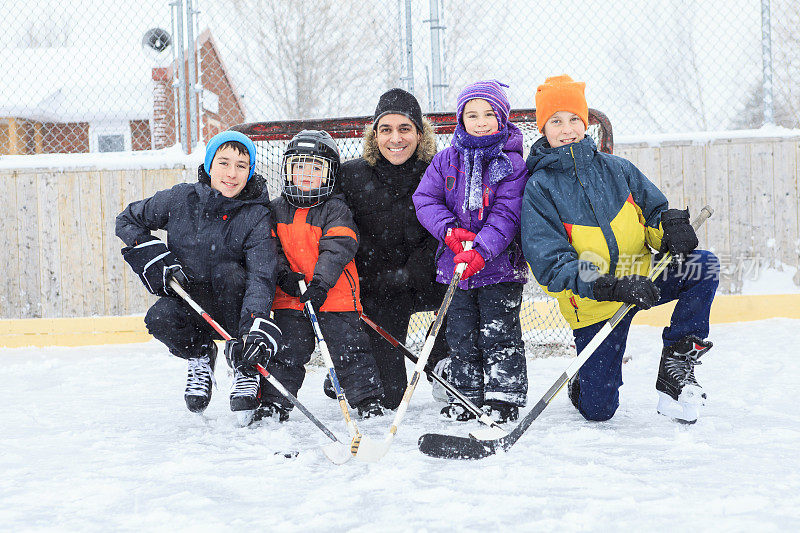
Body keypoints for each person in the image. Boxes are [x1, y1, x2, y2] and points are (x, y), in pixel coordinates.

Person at [521, 74, 719, 424]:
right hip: (595, 301)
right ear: (543, 128)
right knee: (599, 411)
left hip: (644, 277)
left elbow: (655, 215)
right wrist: (608, 284)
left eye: (573, 119)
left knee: (703, 266)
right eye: (555, 121)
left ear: (585, 123)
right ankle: (583, 384)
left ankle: (678, 360)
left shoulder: (618, 170)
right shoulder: (539, 188)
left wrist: (671, 228)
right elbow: (552, 265)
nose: (566, 129)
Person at [116, 131, 281, 417]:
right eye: (224, 163)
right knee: (159, 318)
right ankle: (200, 354)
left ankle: (244, 366)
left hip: (235, 304)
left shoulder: (257, 214)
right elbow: (127, 220)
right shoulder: (181, 198)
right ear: (208, 164)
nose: (231, 173)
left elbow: (260, 276)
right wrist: (155, 258)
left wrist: (251, 333)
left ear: (250, 171)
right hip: (190, 299)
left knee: (229, 272)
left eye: (241, 166)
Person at [413, 80, 529, 424]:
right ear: (461, 119)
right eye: (472, 114)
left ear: (503, 117)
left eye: (490, 114)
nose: (481, 121)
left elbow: (508, 213)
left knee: (498, 332)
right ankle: (467, 396)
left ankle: (503, 397)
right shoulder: (445, 160)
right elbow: (425, 200)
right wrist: (448, 231)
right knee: (460, 334)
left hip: (499, 268)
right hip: (456, 269)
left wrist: (482, 250)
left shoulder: (511, 164)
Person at [337, 88, 447, 410]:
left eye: (404, 129)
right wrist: (380, 275)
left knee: (468, 298)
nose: (395, 138)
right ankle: (355, 367)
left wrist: (416, 268)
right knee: (390, 397)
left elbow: (448, 227)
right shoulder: (352, 175)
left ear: (419, 133)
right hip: (381, 290)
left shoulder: (439, 169)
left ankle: (440, 359)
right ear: (374, 135)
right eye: (386, 129)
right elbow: (339, 228)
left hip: (428, 281)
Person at [264, 130, 385, 420]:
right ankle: (274, 400)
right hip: (291, 298)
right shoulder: (274, 209)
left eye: (316, 168)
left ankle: (367, 399)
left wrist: (320, 284)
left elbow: (338, 248)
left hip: (335, 296)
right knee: (287, 351)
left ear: (330, 174)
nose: (307, 174)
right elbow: (269, 247)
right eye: (300, 166)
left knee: (349, 349)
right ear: (288, 169)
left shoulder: (336, 209)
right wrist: (283, 276)